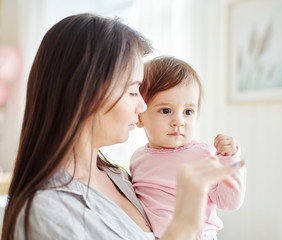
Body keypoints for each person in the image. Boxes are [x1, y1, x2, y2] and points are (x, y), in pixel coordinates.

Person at [1, 14, 245, 240]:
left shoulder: (119, 176)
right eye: (132, 91)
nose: (141, 106)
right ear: (86, 95)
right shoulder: (46, 213)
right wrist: (183, 226)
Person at [130, 56, 247, 240]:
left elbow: (229, 202)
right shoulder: (137, 159)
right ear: (139, 116)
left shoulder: (203, 155)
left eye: (188, 112)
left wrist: (230, 159)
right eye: (166, 110)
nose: (179, 121)